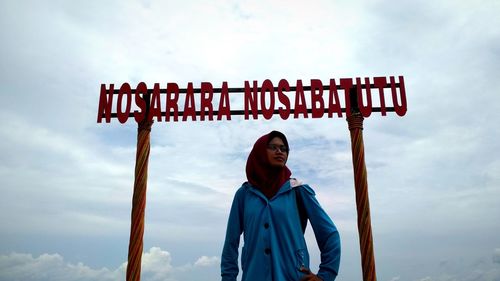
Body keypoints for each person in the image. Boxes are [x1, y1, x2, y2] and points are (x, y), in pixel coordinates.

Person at [221, 131, 341, 281]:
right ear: (260, 152)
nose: (280, 151)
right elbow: (231, 243)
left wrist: (325, 276)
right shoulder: (244, 194)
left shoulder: (298, 190)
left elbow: (330, 234)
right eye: (273, 147)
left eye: (284, 149)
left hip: (293, 276)